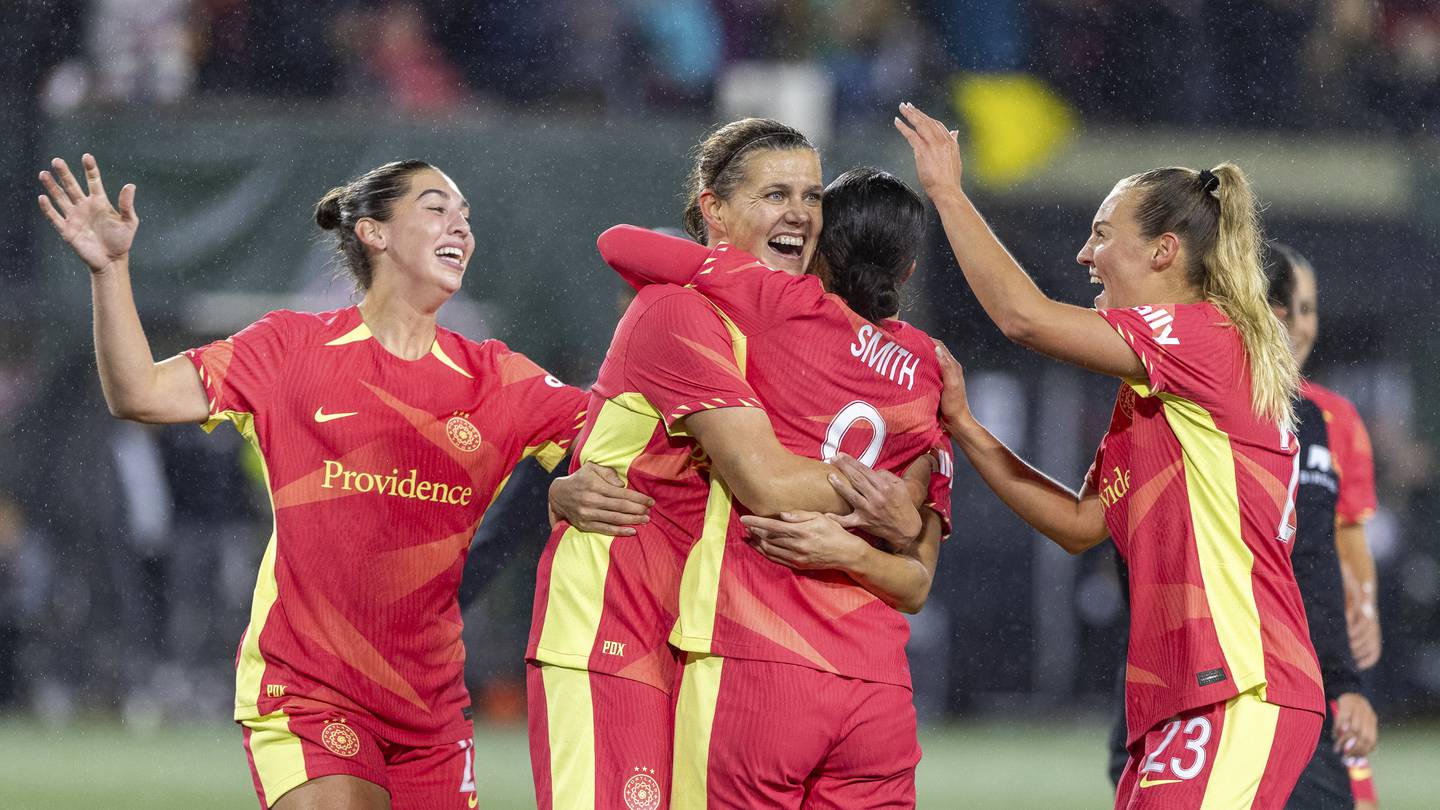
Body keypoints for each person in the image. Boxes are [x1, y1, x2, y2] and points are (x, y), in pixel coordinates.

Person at [36, 154, 635, 809]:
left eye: (466, 217)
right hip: (307, 689)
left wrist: (564, 484)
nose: (461, 227)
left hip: (429, 708)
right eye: (437, 209)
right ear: (374, 233)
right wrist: (110, 270)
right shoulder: (288, 349)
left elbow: (625, 443)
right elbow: (140, 393)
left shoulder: (498, 378)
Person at [894, 103, 1324, 808]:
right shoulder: (1154, 393)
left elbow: (1023, 317)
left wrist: (946, 192)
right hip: (1180, 697)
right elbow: (1078, 525)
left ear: (1164, 251)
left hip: (1243, 682)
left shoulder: (1204, 336)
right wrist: (966, 426)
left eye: (1101, 235)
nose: (1084, 256)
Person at [529, 120, 948, 810]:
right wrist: (894, 497)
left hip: (697, 638)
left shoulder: (789, 330)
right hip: (617, 627)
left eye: (812, 197)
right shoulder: (678, 311)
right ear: (714, 209)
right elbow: (768, 482)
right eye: (774, 194)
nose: (799, 213)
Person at [1267, 243, 1381, 810]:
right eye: (1294, 307)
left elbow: (1346, 531)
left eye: (1311, 309)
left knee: (1352, 795)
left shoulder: (1332, 417)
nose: (1302, 324)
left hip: (1322, 644)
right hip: (1260, 650)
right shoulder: (1222, 403)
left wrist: (1363, 605)